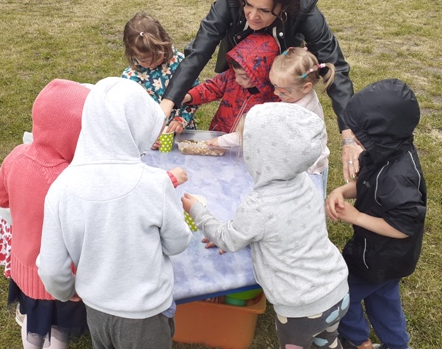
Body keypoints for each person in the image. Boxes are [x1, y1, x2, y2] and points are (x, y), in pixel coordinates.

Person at [160, 0, 360, 182]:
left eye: (264, 10)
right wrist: (166, 105)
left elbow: (336, 67)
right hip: (244, 58)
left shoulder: (304, 5)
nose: (253, 16)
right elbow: (199, 51)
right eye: (248, 5)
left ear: (284, 6)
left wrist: (348, 137)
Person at [37, 77, 192, 349]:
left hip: (96, 308)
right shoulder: (155, 183)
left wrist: (66, 291)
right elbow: (177, 243)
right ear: (141, 128)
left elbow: (51, 268)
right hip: (145, 313)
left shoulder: (61, 188)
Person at [182, 102, 349, 349]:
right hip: (337, 289)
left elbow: (228, 239)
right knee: (327, 342)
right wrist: (239, 235)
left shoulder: (259, 204)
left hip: (302, 309)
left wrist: (197, 211)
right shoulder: (304, 181)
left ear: (260, 155)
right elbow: (280, 229)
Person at [0, 79, 90, 349]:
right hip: (62, 274)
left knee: (33, 322)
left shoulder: (17, 155)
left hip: (24, 267)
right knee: (58, 330)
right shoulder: (71, 178)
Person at [326, 79, 427, 349]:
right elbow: (368, 183)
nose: (353, 136)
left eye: (359, 133)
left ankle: (358, 341)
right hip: (387, 257)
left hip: (381, 256)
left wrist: (356, 217)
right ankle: (398, 345)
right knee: (383, 299)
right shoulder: (385, 151)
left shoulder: (399, 178)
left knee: (341, 295)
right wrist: (341, 190)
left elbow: (404, 226)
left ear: (380, 134)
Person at [268, 47, 335, 198]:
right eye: (274, 86)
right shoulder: (300, 96)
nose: (275, 93)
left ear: (306, 87)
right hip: (303, 163)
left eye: (283, 91)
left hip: (310, 171)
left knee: (307, 205)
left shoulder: (300, 114)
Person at [182, 32, 279, 134]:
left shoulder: (273, 97)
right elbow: (211, 88)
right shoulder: (230, 76)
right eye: (235, 72)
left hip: (244, 141)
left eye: (243, 77)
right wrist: (188, 96)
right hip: (219, 136)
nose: (237, 79)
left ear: (263, 76)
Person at [121, 12, 199, 137]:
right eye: (144, 60)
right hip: (151, 138)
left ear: (165, 43)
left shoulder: (181, 64)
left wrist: (181, 119)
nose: (151, 63)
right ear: (132, 54)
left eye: (157, 57)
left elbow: (196, 94)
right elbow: (132, 114)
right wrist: (145, 137)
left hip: (182, 133)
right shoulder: (130, 78)